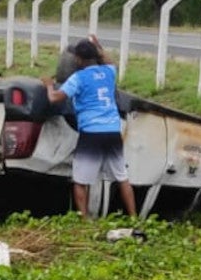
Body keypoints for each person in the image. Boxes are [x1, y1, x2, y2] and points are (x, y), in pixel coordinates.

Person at [45, 36, 137, 218]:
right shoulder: (109, 72)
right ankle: (134, 217)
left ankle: (85, 222)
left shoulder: (78, 78)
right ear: (95, 55)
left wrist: (48, 85)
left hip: (91, 134)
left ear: (78, 59)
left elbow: (54, 98)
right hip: (112, 131)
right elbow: (109, 60)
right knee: (123, 178)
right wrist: (98, 46)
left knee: (80, 182)